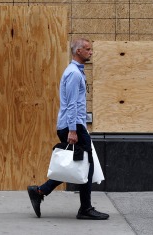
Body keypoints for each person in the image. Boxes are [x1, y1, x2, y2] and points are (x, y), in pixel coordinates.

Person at [27, 38, 109, 220]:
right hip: (73, 127)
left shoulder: (76, 72)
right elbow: (72, 104)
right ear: (78, 51)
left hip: (75, 125)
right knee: (86, 166)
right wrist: (73, 130)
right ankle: (85, 209)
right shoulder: (74, 74)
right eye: (88, 49)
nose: (91, 52)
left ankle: (40, 191)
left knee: (77, 165)